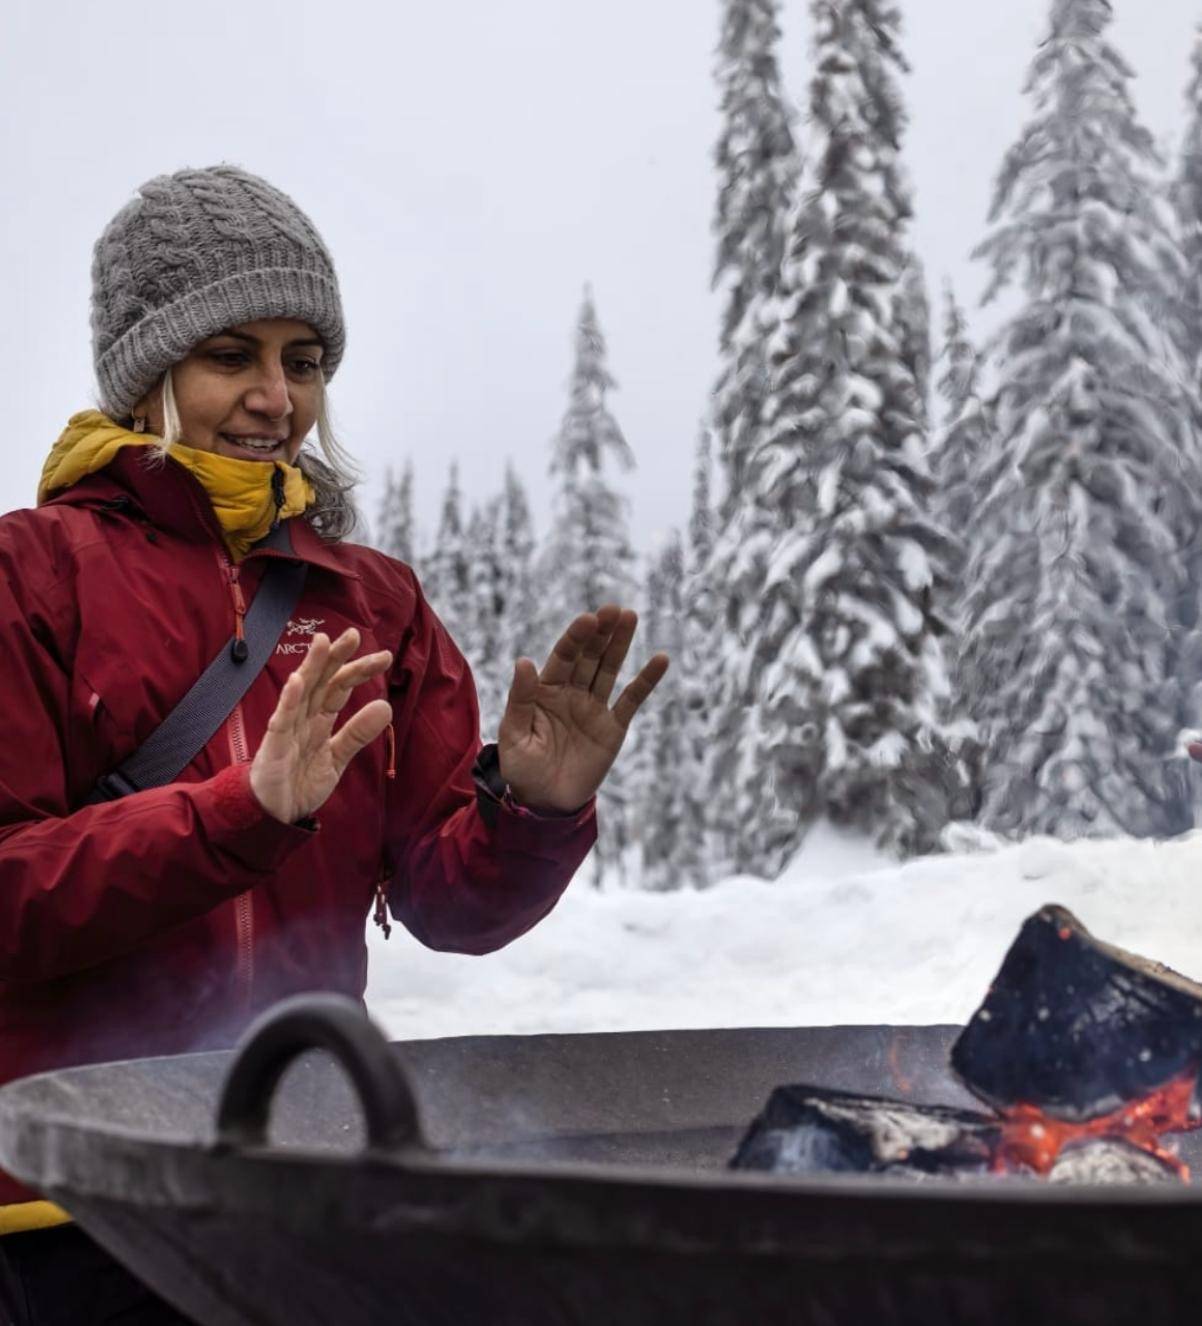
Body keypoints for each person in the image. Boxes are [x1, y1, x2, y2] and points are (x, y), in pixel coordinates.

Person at [0, 164, 668, 1324]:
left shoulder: (371, 600)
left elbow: (450, 906)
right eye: (231, 356)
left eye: (302, 361)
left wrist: (533, 810)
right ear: (146, 370)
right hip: (77, 1198)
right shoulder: (30, 576)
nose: (276, 398)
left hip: (306, 1173)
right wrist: (234, 818)